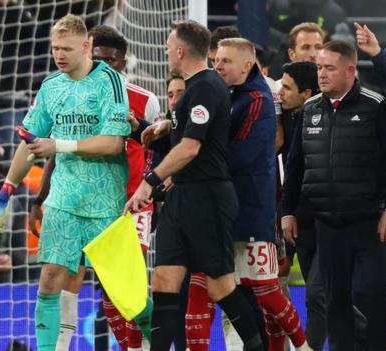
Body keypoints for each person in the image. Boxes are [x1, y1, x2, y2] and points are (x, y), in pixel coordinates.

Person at [0, 14, 132, 351]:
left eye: (67, 48)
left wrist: (60, 144)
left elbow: (113, 142)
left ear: (87, 46)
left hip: (105, 202)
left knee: (123, 292)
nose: (60, 55)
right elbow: (31, 141)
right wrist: (5, 192)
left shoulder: (110, 82)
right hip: (64, 199)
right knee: (50, 279)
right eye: (55, 48)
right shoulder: (51, 85)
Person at [126, 20, 263, 350]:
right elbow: (182, 138)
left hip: (208, 197)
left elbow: (192, 147)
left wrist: (148, 182)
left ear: (181, 50)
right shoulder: (192, 89)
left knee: (220, 287)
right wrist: (151, 130)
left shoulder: (205, 87)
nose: (165, 51)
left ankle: (258, 345)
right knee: (164, 280)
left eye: (168, 45)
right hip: (182, 197)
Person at [27, 24, 160, 350]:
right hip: (78, 201)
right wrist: (40, 199)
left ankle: (152, 341)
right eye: (98, 57)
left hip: (132, 204)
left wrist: (154, 193)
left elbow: (159, 153)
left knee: (123, 289)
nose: (105, 64)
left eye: (111, 59)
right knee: (66, 278)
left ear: (123, 61)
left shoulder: (145, 100)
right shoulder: (70, 91)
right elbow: (56, 151)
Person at [281, 39, 386, 351]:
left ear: (350, 70)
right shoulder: (309, 110)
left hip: (370, 224)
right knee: (333, 301)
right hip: (327, 225)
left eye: (329, 68)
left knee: (374, 297)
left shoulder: (376, 108)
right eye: (320, 67)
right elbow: (295, 166)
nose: (321, 74)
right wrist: (288, 211)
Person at [214, 38, 310, 351]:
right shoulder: (226, 94)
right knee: (215, 286)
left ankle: (303, 346)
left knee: (266, 289)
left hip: (254, 210)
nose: (218, 65)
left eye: (226, 60)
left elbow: (243, 154)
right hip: (224, 209)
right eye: (216, 59)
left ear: (246, 64)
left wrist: (197, 159)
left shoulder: (259, 98)